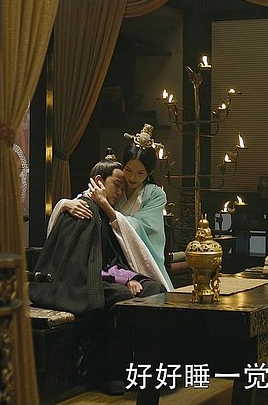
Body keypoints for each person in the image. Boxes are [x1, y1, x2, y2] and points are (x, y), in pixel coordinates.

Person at [29, 152, 165, 315]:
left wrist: (129, 277)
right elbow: (79, 265)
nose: (119, 192)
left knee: (154, 288)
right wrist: (125, 281)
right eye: (117, 185)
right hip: (75, 283)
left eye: (122, 188)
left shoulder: (104, 211)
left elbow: (110, 259)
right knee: (122, 294)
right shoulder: (82, 209)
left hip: (102, 274)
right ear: (99, 181)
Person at [49, 124, 174, 291]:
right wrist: (65, 203)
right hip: (108, 256)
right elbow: (88, 197)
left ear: (149, 173)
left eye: (140, 173)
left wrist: (105, 205)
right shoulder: (115, 185)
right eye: (128, 170)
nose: (132, 177)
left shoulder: (155, 194)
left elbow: (145, 229)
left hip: (136, 255)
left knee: (155, 289)